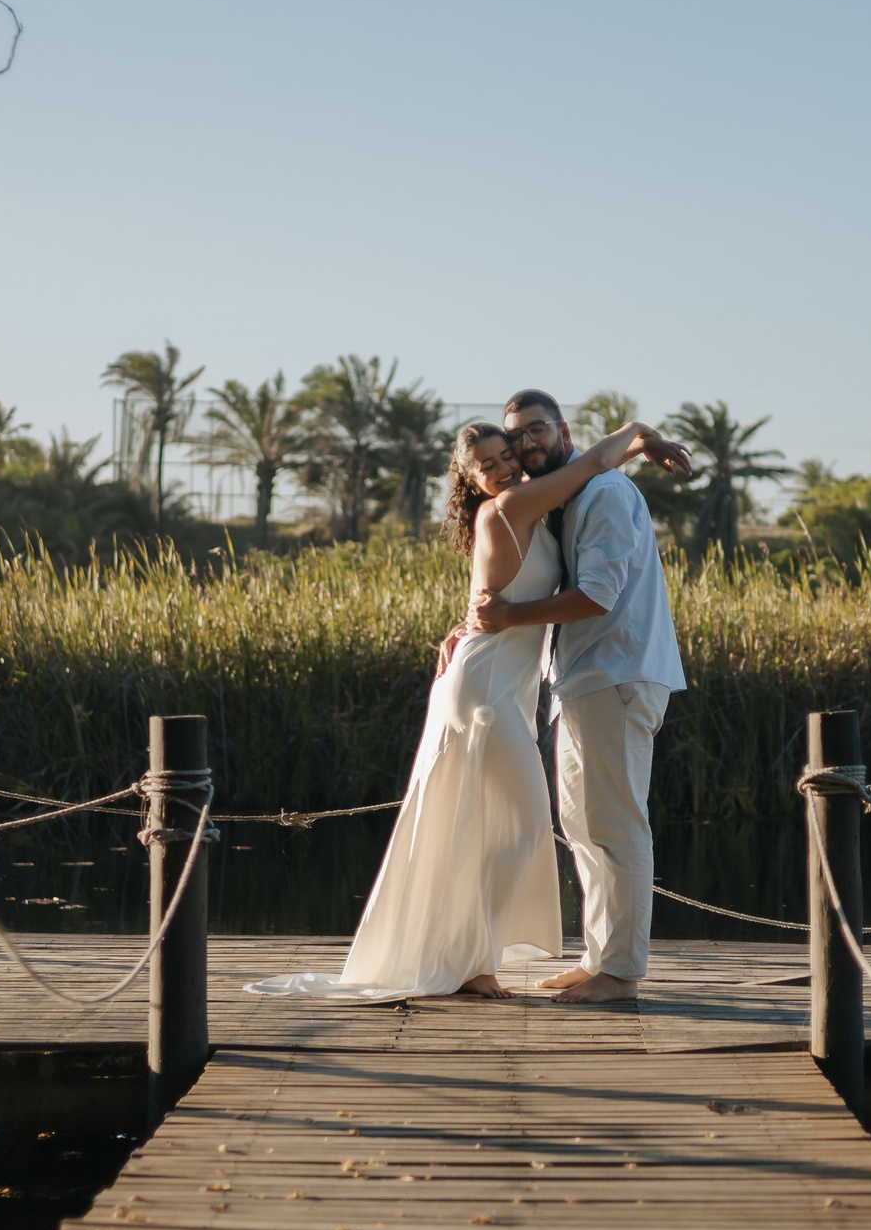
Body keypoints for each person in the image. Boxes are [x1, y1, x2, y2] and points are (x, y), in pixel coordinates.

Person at [248, 414, 689, 1001]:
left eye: (509, 453)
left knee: (505, 823)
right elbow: (589, 463)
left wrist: (640, 439)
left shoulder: (544, 505)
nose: (507, 465)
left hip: (510, 685)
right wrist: (638, 434)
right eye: (490, 464)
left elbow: (499, 593)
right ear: (470, 478)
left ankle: (486, 959)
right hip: (483, 693)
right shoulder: (510, 507)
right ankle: (476, 960)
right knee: (518, 822)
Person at [468, 389, 688, 1003]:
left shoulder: (606, 494)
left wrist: (509, 616)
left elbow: (598, 596)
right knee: (585, 825)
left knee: (616, 825)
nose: (527, 444)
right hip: (579, 680)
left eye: (537, 430)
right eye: (517, 439)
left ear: (563, 429)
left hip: (616, 676)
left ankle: (621, 973)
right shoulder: (567, 498)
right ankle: (599, 959)